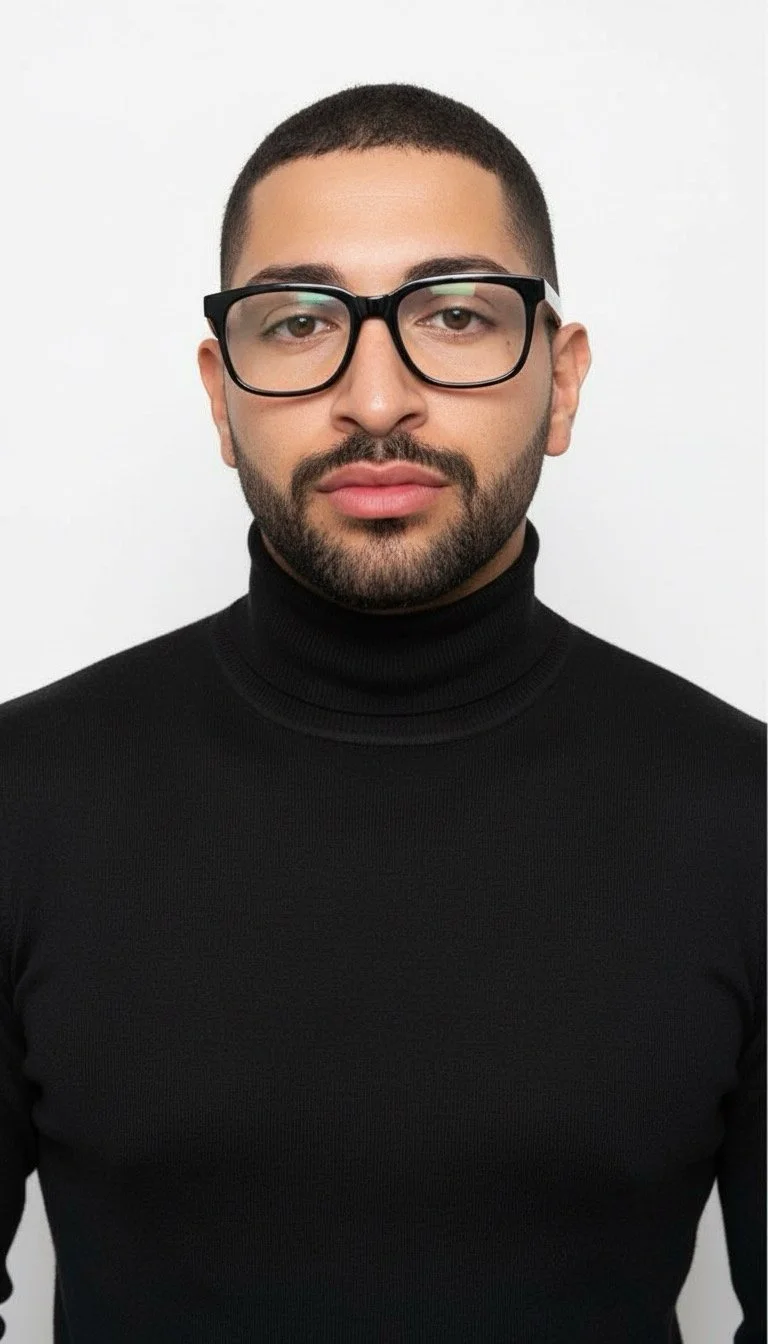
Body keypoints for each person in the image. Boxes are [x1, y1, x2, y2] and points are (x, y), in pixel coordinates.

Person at [0, 82, 764, 1344]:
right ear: (219, 390)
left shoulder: (747, 825)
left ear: (561, 383)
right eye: (299, 322)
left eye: (455, 314)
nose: (374, 397)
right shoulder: (23, 802)